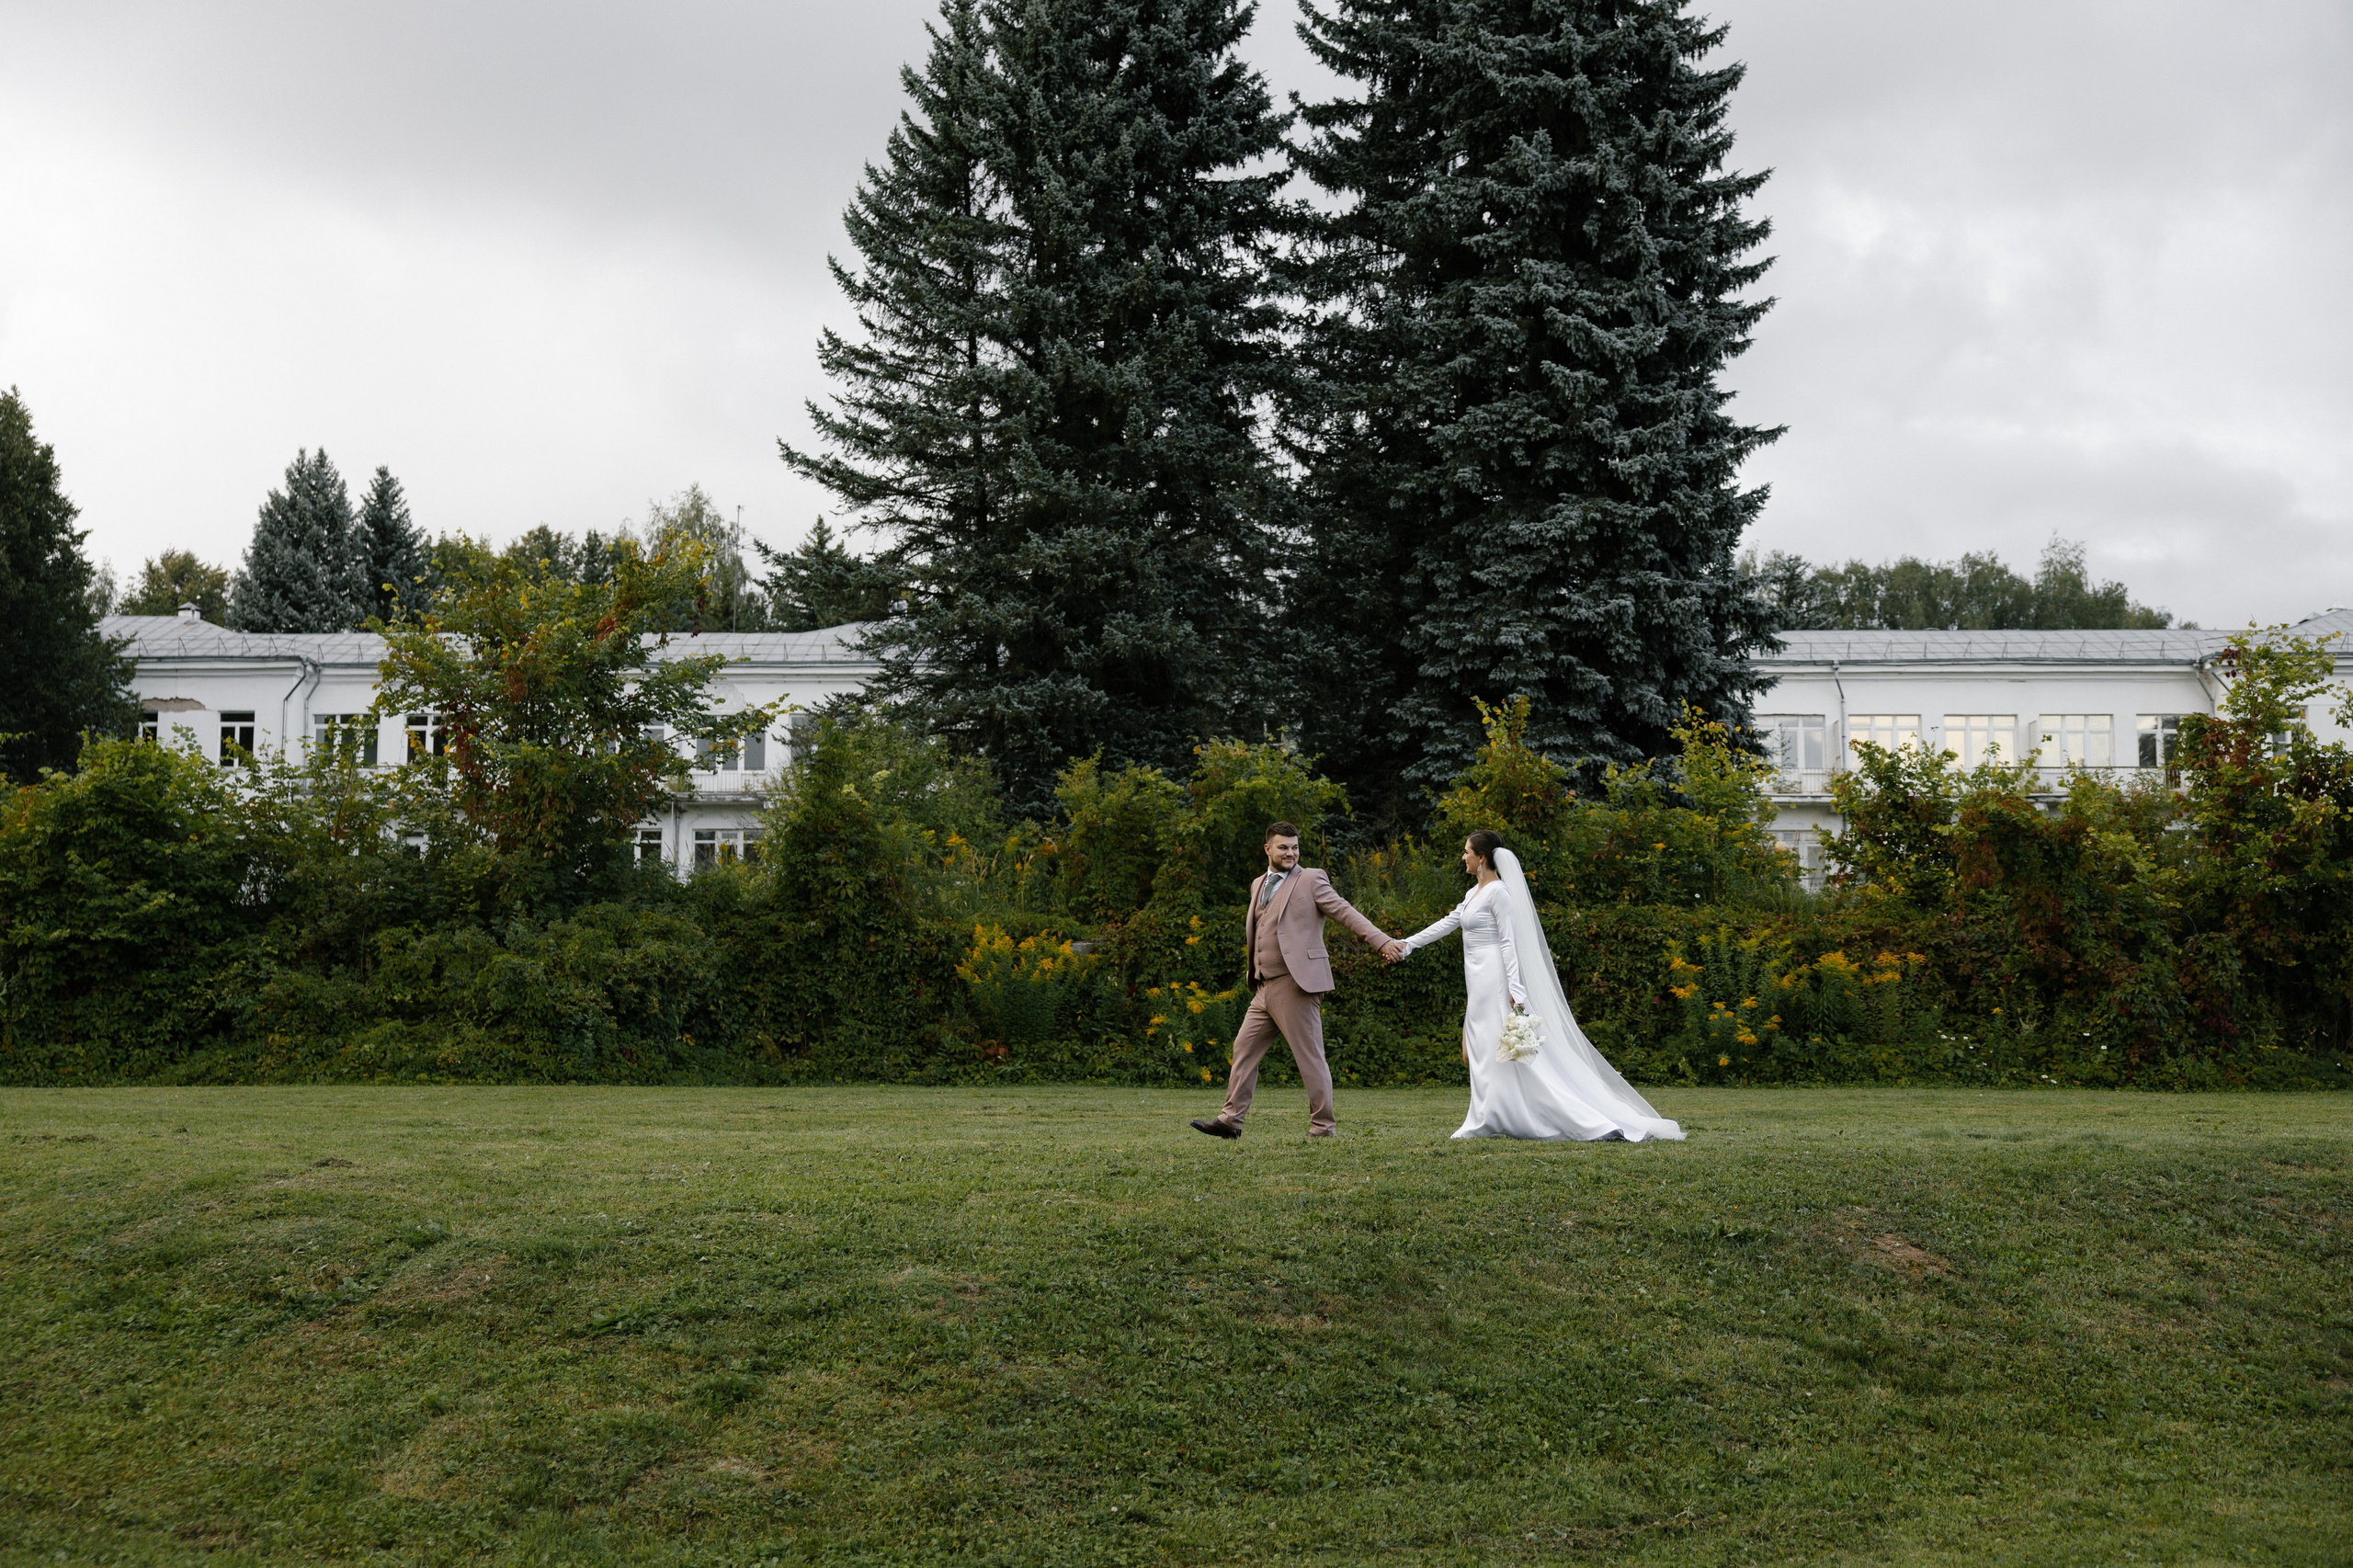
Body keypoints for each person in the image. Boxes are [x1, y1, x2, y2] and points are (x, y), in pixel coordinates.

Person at [1392, 829, 1684, 1142]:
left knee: (1505, 1050)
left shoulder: (1499, 894)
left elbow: (1508, 944)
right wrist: (1407, 944)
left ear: (1482, 858)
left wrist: (1515, 989)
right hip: (1475, 978)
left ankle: (1528, 1117)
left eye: (1467, 852)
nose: (1463, 857)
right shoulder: (1472, 894)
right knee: (1483, 1048)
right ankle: (1485, 1115)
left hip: (1494, 977)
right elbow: (1448, 922)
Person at [1190, 822, 1401, 1140]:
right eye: (1283, 847)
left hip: (1297, 983)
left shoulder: (1311, 879)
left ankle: (1322, 1127)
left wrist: (1381, 941)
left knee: (1309, 1056)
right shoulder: (1258, 884)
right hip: (1264, 986)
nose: (1290, 853)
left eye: (1295, 847)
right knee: (1244, 1048)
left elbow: (1345, 912)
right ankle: (1231, 1120)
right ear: (1268, 850)